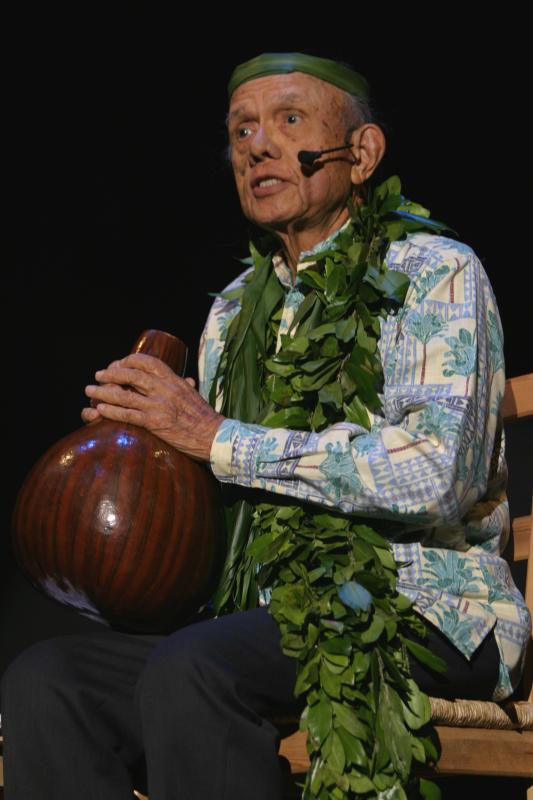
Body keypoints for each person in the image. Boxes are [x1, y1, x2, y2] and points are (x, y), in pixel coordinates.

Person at [1, 52, 530, 799]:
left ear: (361, 154)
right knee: (49, 680)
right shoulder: (233, 310)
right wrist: (145, 452)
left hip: (425, 606)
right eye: (240, 130)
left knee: (197, 669)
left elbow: (436, 473)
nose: (255, 145)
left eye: (287, 121)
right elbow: (216, 479)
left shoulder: (434, 272)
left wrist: (213, 437)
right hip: (260, 616)